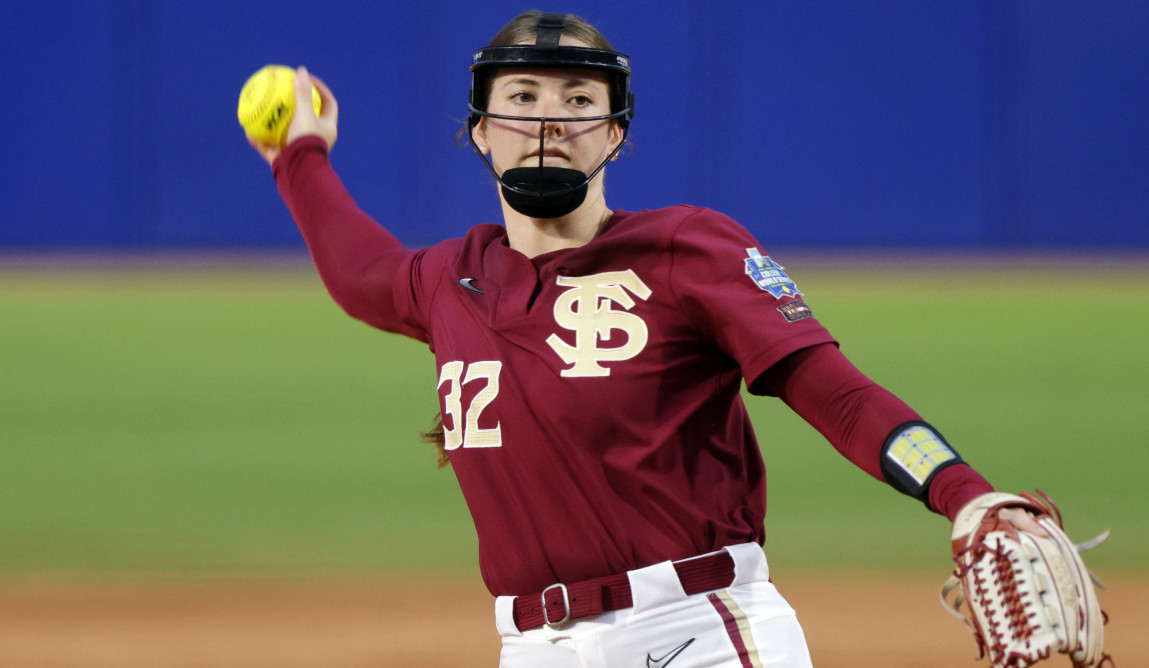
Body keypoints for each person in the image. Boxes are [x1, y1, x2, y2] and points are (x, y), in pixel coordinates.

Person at [247, 10, 1048, 667]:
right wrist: (299, 157)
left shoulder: (686, 250)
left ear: (616, 133)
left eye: (577, 99)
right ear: (480, 133)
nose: (548, 120)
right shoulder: (449, 278)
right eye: (521, 97)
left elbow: (833, 392)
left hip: (699, 633)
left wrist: (962, 491)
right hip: (533, 649)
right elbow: (360, 274)